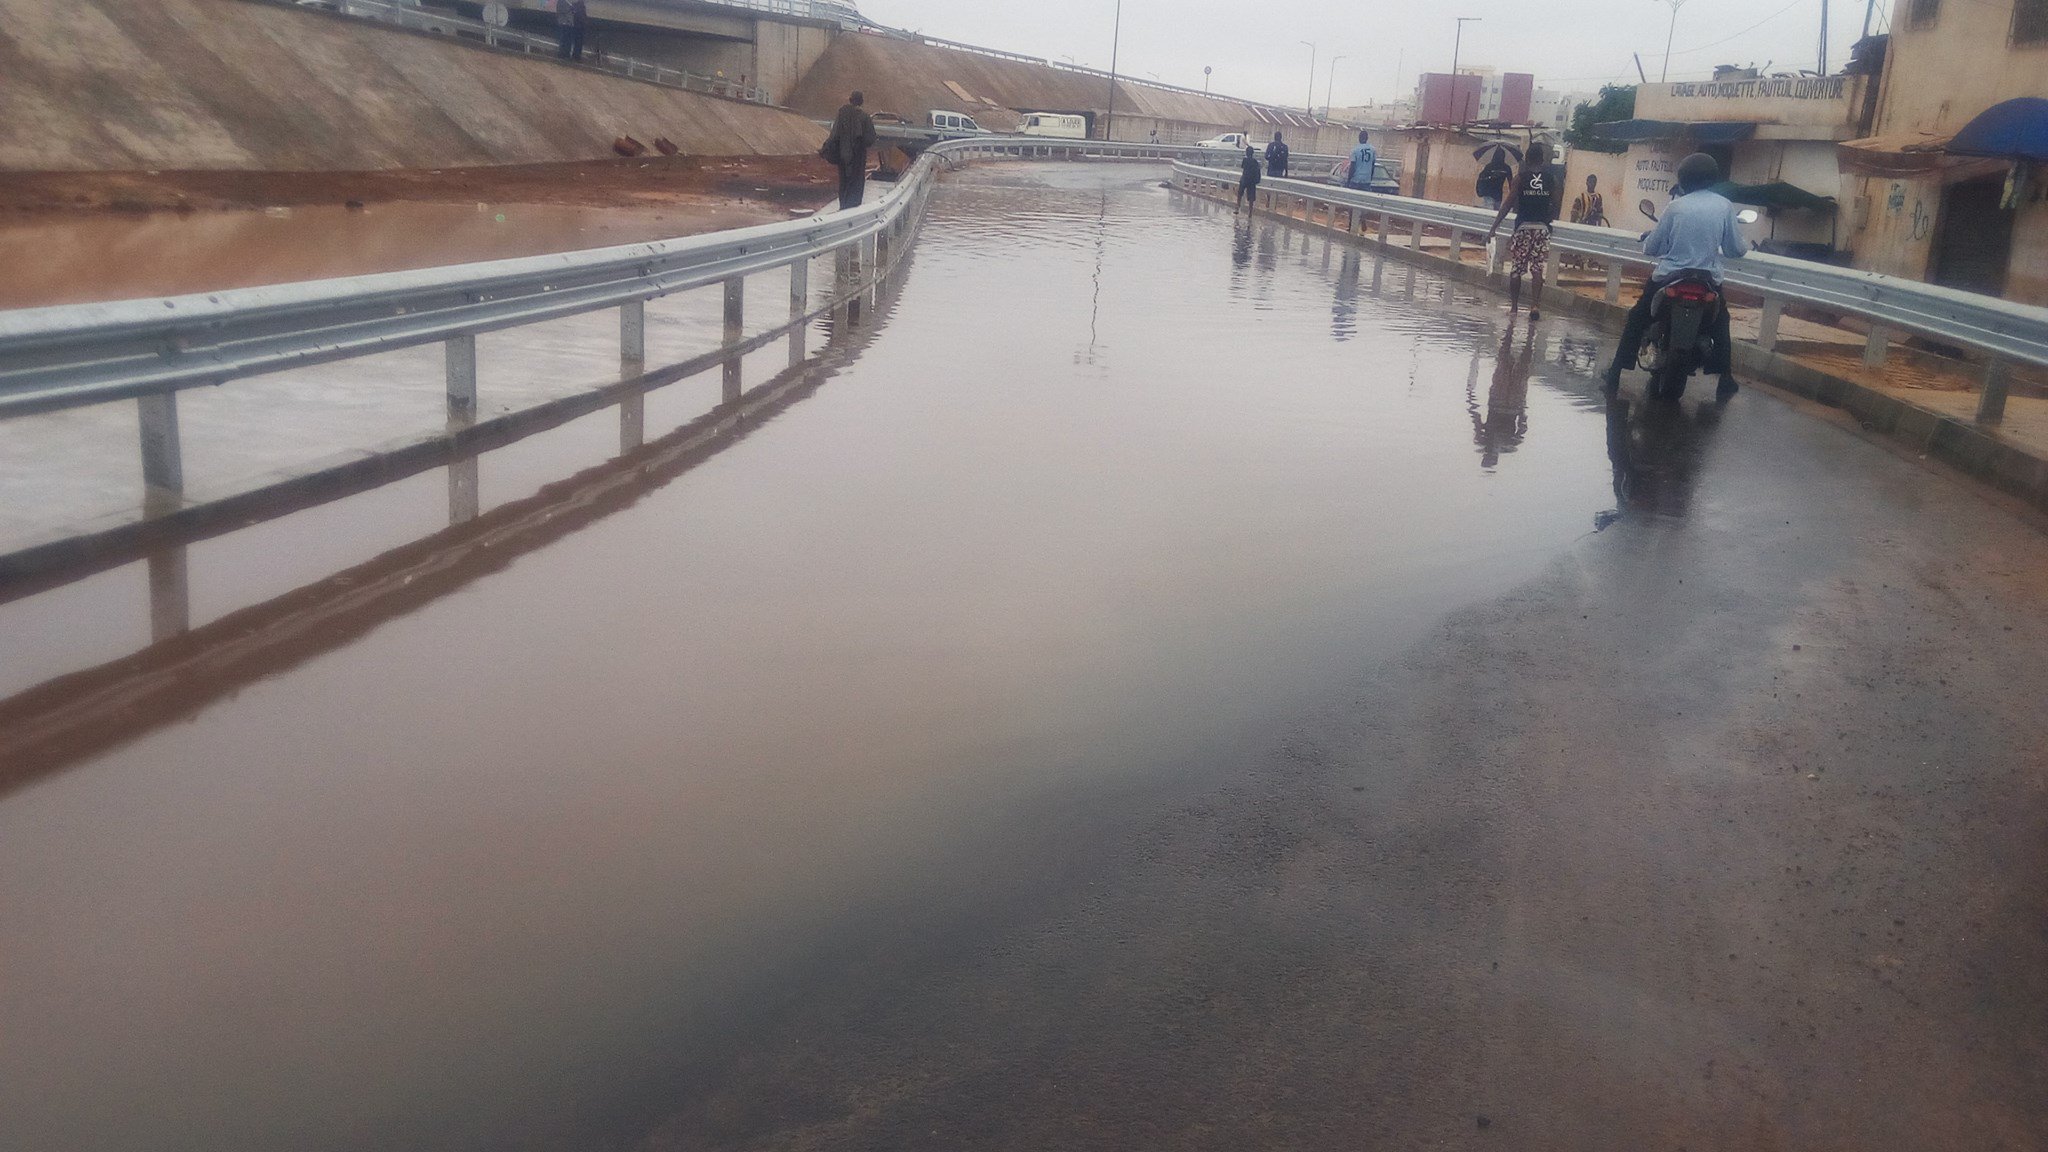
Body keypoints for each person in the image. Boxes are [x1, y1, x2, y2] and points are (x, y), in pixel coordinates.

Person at [1601, 152, 1750, 401]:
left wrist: (1651, 238)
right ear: (1713, 177)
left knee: (1638, 317)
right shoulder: (1724, 206)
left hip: (1670, 277)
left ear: (1685, 179)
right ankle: (1725, 379)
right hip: (1708, 280)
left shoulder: (1675, 207)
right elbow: (1737, 250)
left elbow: (1652, 248)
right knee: (1721, 323)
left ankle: (1616, 371)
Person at [1483, 141, 1560, 321]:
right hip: (1541, 229)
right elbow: (1556, 205)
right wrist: (1548, 218)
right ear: (1542, 160)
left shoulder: (1520, 178)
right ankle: (1535, 305)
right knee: (1537, 268)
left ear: (1527, 159)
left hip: (1523, 227)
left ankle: (1515, 307)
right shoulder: (1551, 180)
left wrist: (1493, 228)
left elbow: (1508, 204)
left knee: (1517, 269)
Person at [820, 91, 878, 210]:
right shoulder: (865, 117)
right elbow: (870, 139)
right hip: (858, 156)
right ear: (861, 101)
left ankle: (843, 206)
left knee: (844, 181)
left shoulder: (842, 115)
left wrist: (825, 148)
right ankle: (852, 208)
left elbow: (834, 135)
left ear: (850, 100)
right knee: (856, 182)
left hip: (843, 155)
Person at [1235, 145, 1262, 213]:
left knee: (1240, 193)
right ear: (1253, 153)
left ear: (1246, 153)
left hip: (1244, 179)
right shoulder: (1255, 161)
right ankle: (1250, 211)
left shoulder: (1245, 160)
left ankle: (1237, 207)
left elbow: (1243, 168)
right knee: (1251, 198)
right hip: (1252, 180)